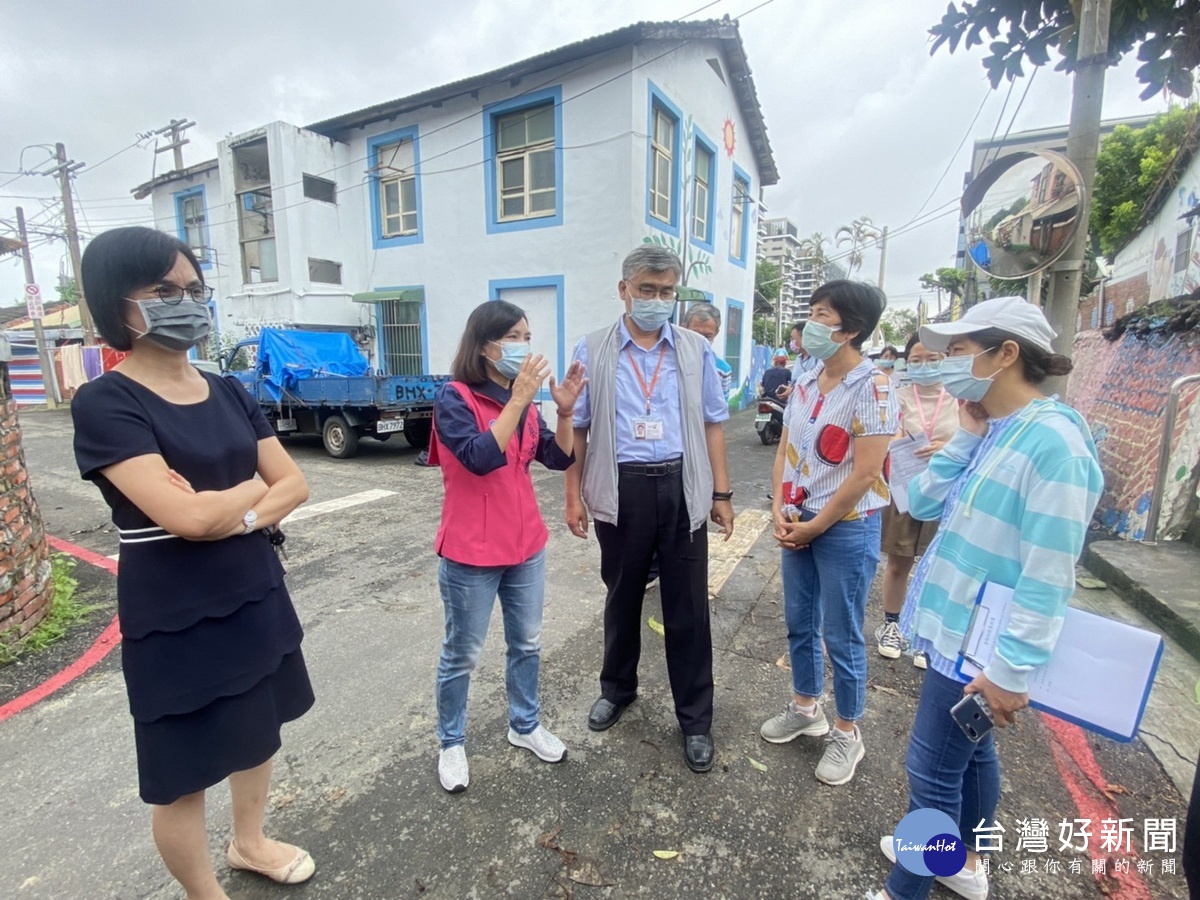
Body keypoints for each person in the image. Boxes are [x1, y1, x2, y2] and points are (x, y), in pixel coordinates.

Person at [71, 226, 316, 897]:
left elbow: (294, 484)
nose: (185, 302)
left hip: (253, 587)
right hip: (173, 606)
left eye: (194, 291)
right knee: (181, 770)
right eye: (163, 290)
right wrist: (251, 494)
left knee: (258, 728)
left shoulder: (230, 392)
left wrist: (226, 509)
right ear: (117, 303)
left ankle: (250, 842)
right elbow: (186, 520)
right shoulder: (107, 402)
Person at [870, 296, 1102, 900]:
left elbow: (1049, 574)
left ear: (1006, 354)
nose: (945, 365)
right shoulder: (995, 430)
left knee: (931, 772)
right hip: (954, 634)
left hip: (980, 645)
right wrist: (966, 437)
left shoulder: (1055, 445)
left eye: (958, 352)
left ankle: (907, 888)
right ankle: (963, 863)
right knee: (969, 760)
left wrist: (1011, 670)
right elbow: (918, 504)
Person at [565, 245, 734, 774]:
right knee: (621, 595)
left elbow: (711, 423)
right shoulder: (592, 349)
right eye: (647, 290)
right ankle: (617, 689)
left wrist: (722, 495)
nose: (657, 301)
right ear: (624, 290)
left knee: (688, 607)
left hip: (683, 486)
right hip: (622, 488)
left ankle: (696, 720)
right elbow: (578, 427)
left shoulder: (693, 349)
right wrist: (572, 494)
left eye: (666, 292)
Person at [429, 300, 586, 793]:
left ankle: (525, 725)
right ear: (484, 345)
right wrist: (518, 400)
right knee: (463, 653)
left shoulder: (526, 404)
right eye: (513, 336)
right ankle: (451, 742)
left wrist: (562, 411)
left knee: (528, 644)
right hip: (470, 553)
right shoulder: (454, 398)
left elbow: (559, 458)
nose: (524, 345)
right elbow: (478, 457)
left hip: (525, 547)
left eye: (526, 335)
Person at [760, 281, 897, 787]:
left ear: (851, 329)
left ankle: (847, 730)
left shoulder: (874, 386)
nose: (810, 325)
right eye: (812, 313)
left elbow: (865, 474)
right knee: (800, 621)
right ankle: (806, 706)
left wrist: (818, 524)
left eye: (822, 315)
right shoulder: (805, 378)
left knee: (842, 633)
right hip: (798, 518)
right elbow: (785, 451)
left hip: (845, 527)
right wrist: (779, 507)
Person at [874, 334, 958, 668]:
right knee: (899, 562)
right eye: (917, 359)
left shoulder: (961, 400)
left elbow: (975, 441)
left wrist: (947, 449)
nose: (924, 366)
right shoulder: (897, 396)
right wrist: (895, 442)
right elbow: (882, 435)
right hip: (906, 488)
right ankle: (892, 625)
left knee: (938, 564)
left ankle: (926, 634)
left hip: (947, 490)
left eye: (933, 358)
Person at [680, 303, 733, 399]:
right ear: (684, 329)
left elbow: (720, 409)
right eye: (695, 334)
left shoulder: (722, 370)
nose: (701, 340)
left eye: (707, 336)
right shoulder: (669, 361)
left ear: (716, 333)